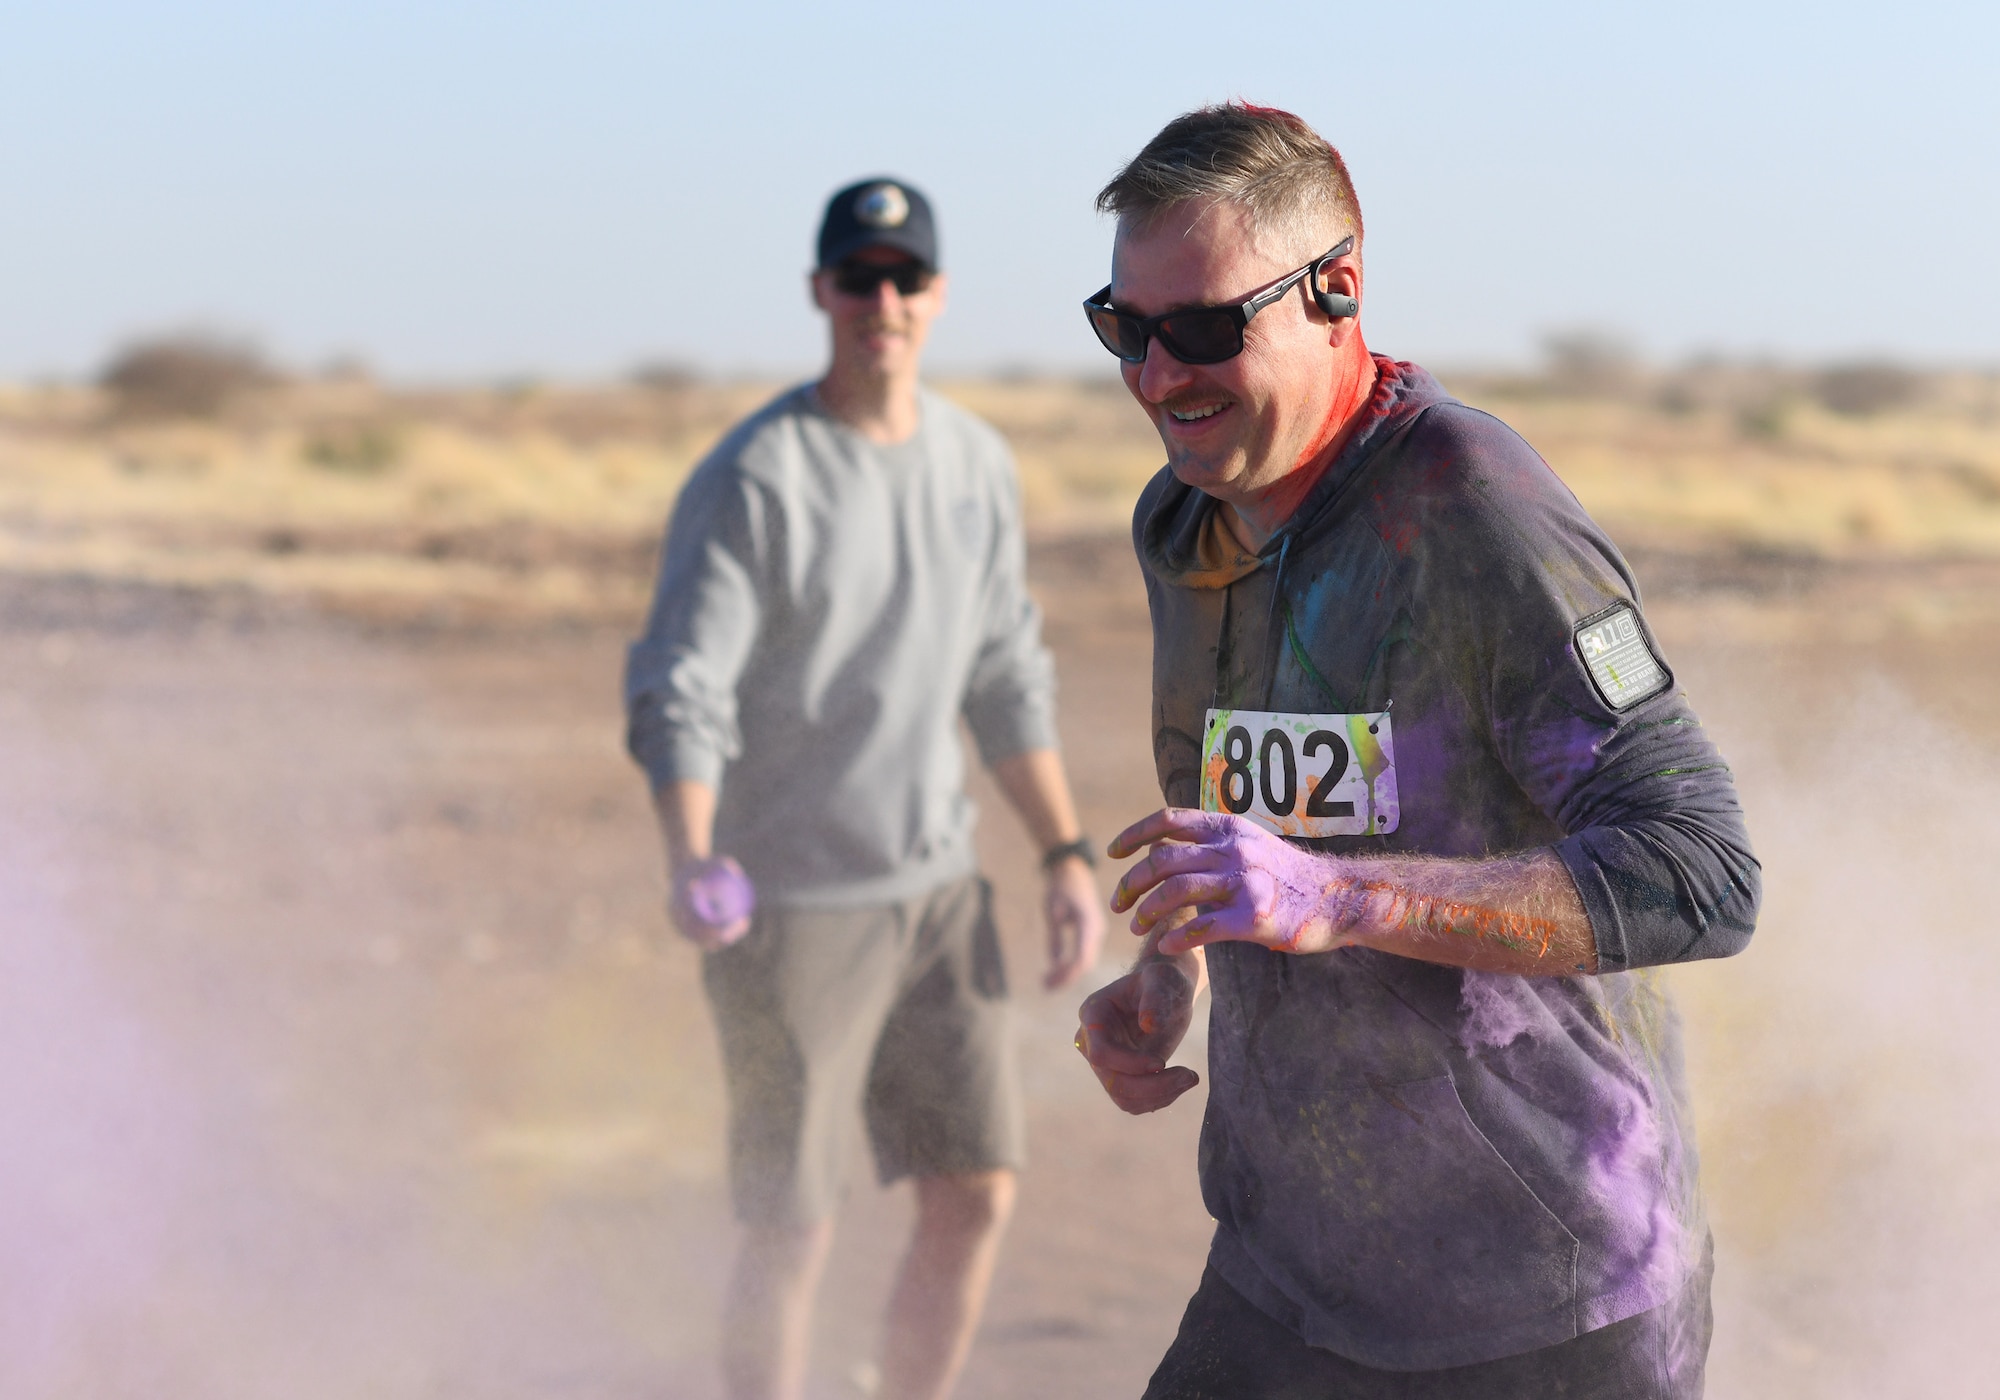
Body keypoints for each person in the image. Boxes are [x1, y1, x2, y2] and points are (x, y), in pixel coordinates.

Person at [1073, 104, 1761, 1399]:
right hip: (1289, 1272)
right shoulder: (1185, 522)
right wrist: (1170, 968)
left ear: (1340, 290)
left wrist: (1345, 899)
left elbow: (1702, 872)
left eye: (1208, 328)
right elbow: (1249, 811)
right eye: (1129, 329)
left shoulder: (1469, 507)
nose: (1162, 377)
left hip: (1539, 1300)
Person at [625, 177, 1105, 1400]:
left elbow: (1004, 671)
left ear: (934, 297)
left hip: (940, 896)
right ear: (819, 293)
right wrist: (690, 854)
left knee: (976, 1191)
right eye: (857, 277)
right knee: (793, 1222)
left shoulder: (975, 463)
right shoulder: (756, 476)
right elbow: (684, 683)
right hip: (787, 906)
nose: (879, 301)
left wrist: (1060, 853)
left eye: (903, 278)